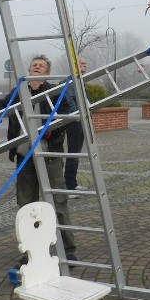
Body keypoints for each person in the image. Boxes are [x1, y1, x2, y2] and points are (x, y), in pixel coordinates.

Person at [0, 55, 77, 261]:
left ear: (46, 72)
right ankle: (32, 253)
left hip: (49, 157)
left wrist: (51, 130)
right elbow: (1, 103)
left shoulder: (54, 92)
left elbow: (67, 114)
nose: (36, 67)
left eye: (41, 65)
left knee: (58, 204)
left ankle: (68, 251)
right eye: (34, 64)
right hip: (25, 158)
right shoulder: (20, 91)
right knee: (27, 207)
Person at [64, 57, 86, 197]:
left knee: (76, 153)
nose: (85, 65)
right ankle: (69, 186)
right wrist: (77, 118)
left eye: (85, 64)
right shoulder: (69, 83)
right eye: (82, 64)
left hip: (80, 121)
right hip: (74, 122)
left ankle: (72, 183)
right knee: (73, 153)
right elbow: (70, 102)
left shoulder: (80, 82)